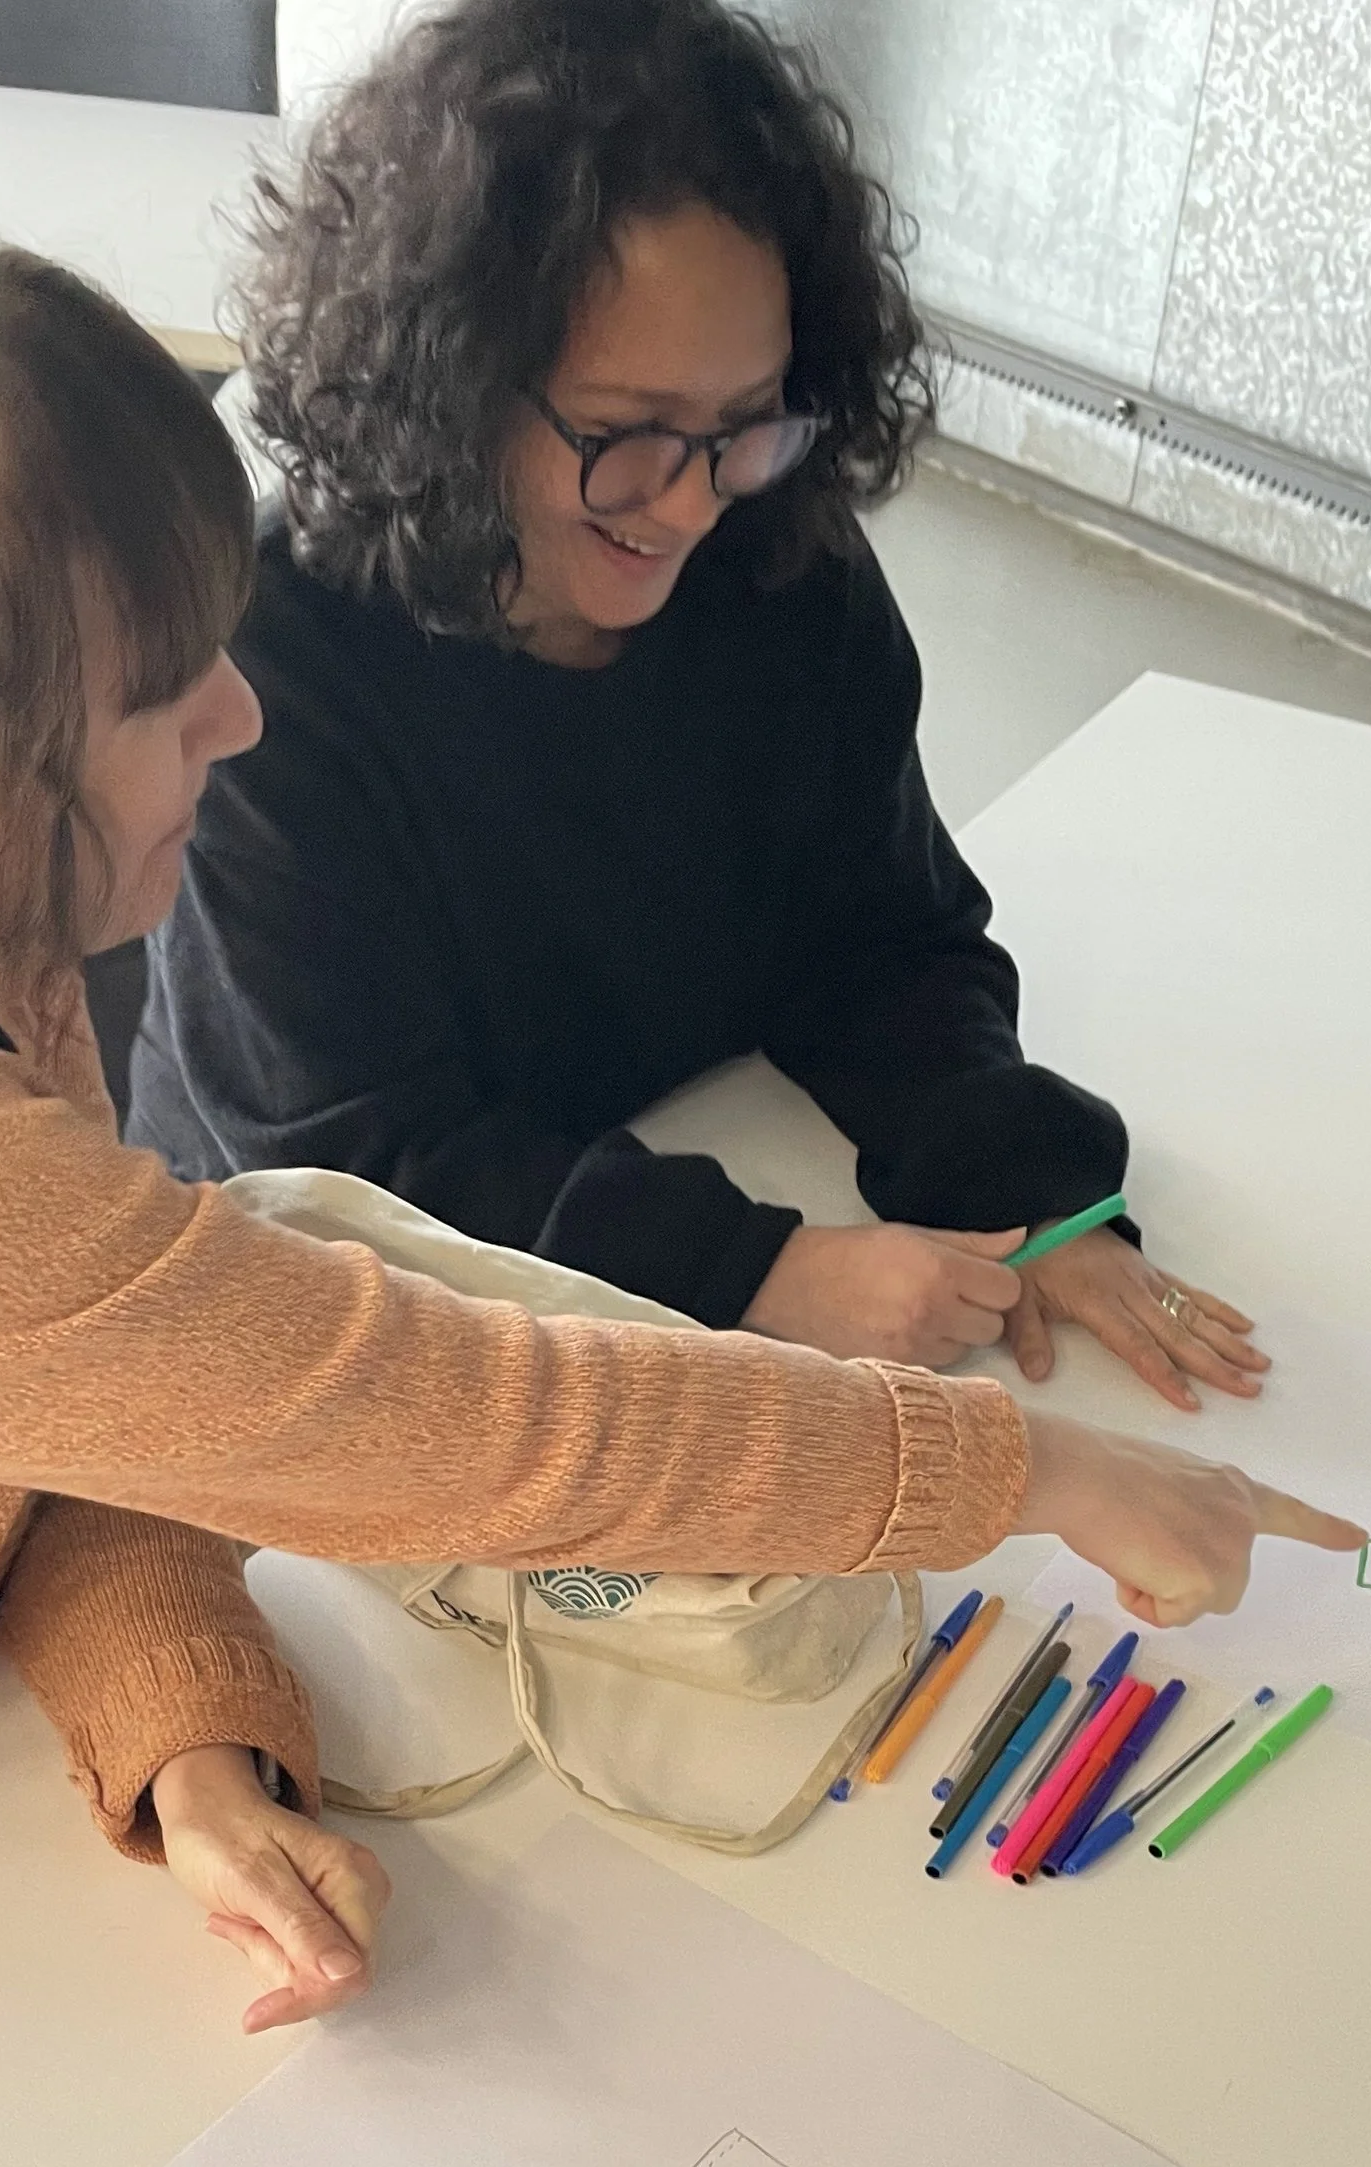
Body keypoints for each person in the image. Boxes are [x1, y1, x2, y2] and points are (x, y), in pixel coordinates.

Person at [0, 171, 1358, 2117]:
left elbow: (84, 1413)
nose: (241, 723)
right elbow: (471, 1420)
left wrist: (185, 1735)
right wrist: (1024, 1467)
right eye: (164, 699)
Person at [128, 0, 1265, 1413]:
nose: (690, 501)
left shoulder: (776, 562)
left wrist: (1032, 1191)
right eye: (627, 435)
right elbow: (362, 1171)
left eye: (747, 424)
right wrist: (754, 1275)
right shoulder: (272, 671)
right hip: (317, 1311)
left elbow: (884, 945)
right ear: (453, 388)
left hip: (660, 1150)